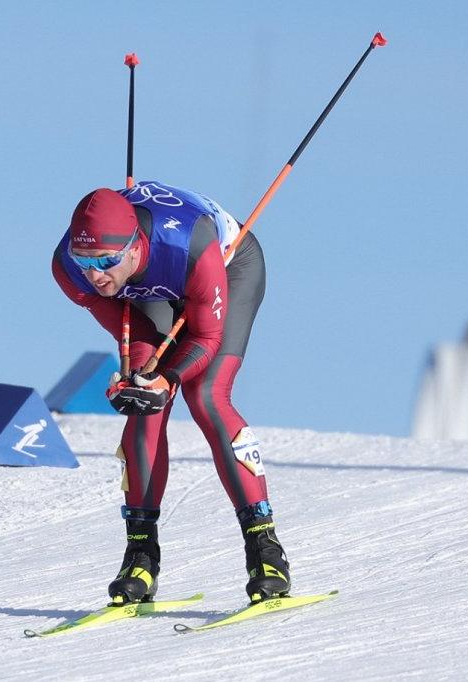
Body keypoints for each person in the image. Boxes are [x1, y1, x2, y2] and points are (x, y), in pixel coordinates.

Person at [52, 180, 291, 604]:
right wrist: (140, 378)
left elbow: (207, 337)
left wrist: (170, 378)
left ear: (133, 246)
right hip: (149, 286)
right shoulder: (69, 269)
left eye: (106, 259)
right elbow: (139, 333)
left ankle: (266, 552)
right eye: (84, 259)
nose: (95, 274)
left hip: (223, 268)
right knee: (144, 399)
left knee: (206, 396)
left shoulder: (189, 243)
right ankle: (141, 556)